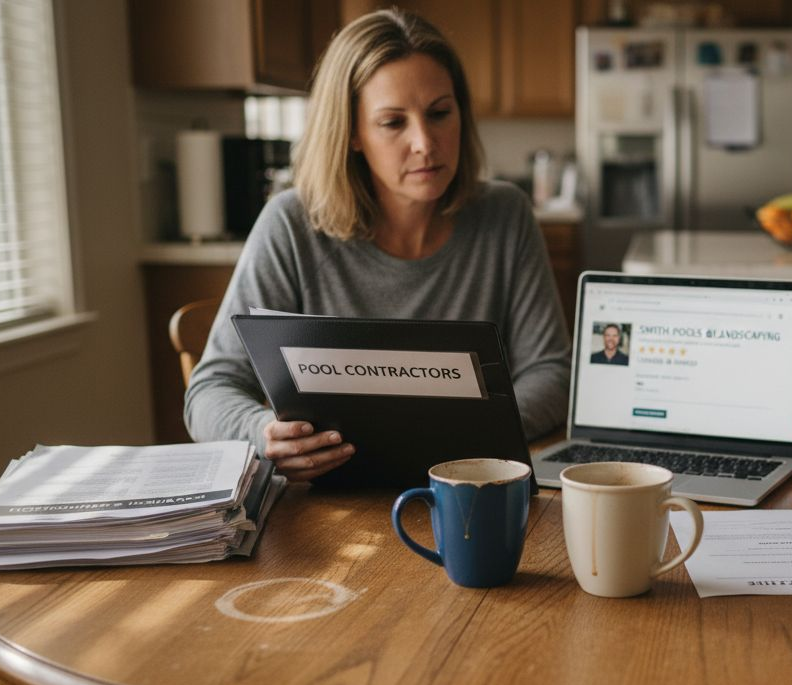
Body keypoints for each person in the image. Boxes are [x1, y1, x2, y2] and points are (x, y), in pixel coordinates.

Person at [185, 9, 570, 482]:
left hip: (472, 485)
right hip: (324, 509)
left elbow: (551, 371)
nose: (425, 143)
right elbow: (209, 390)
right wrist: (261, 431)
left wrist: (460, 438)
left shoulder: (504, 214)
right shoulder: (290, 225)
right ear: (351, 133)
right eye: (393, 122)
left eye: (439, 113)